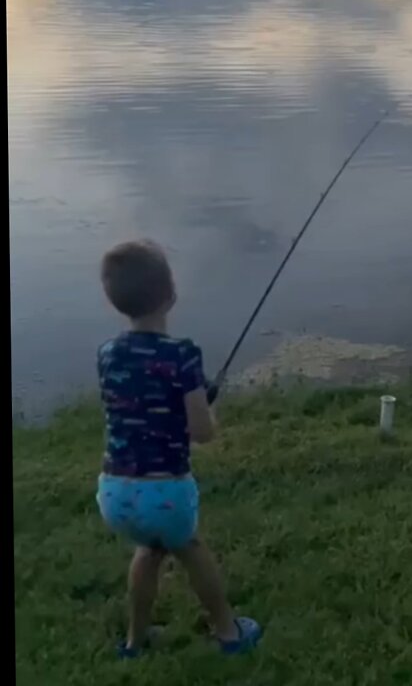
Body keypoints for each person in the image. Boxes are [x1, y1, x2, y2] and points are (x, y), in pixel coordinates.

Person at [94, 239, 262, 658]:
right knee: (189, 548)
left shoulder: (108, 354)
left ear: (114, 301)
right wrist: (206, 405)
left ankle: (134, 641)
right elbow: (202, 432)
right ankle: (228, 632)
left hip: (115, 493)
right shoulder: (182, 355)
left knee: (148, 551)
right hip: (164, 492)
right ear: (171, 294)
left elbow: (142, 398)